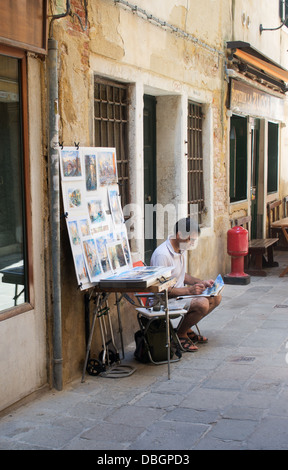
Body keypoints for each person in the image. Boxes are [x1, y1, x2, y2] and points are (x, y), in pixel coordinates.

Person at [150, 217, 222, 352]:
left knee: (216, 297)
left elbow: (183, 276)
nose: (192, 243)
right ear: (180, 235)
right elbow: (161, 290)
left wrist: (201, 282)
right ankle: (180, 334)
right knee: (202, 303)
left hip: (179, 296)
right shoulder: (162, 255)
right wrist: (190, 291)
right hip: (164, 300)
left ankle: (186, 328)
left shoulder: (180, 248)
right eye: (191, 239)